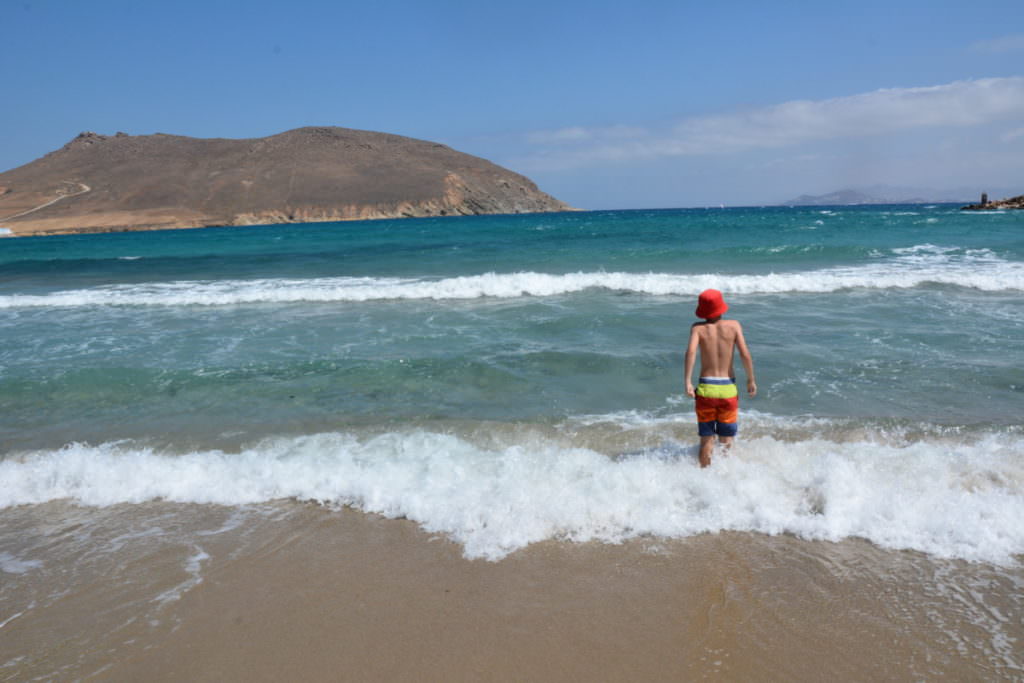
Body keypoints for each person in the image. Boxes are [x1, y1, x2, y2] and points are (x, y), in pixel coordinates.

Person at [684, 289, 756, 468]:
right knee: (726, 440)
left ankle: (704, 476)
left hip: (706, 389)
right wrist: (750, 379)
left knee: (706, 439)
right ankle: (725, 479)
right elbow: (745, 354)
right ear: (721, 308)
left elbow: (691, 352)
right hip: (727, 390)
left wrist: (688, 381)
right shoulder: (734, 326)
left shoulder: (697, 328)